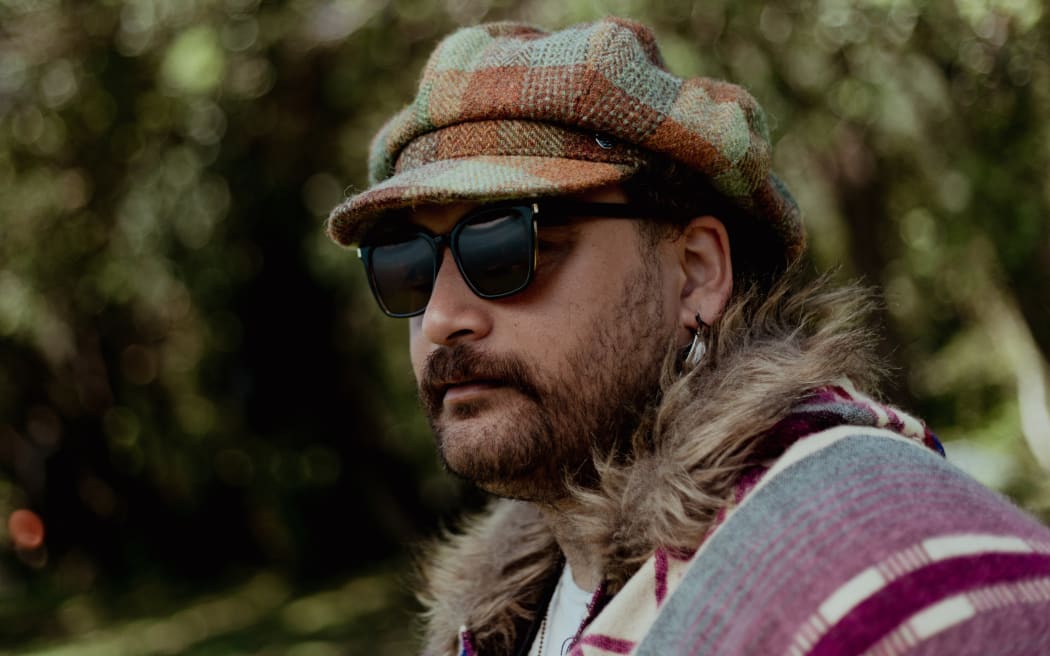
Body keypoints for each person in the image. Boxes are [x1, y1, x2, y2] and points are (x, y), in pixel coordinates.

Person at [326, 18, 1050, 656]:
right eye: (406, 266)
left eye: (504, 248)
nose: (445, 316)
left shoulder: (878, 552)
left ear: (697, 273)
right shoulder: (510, 612)